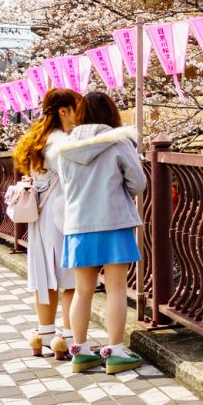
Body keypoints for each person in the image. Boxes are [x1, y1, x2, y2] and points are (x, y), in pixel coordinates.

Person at [55, 92, 146, 375]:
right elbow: (138, 182)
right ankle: (115, 351)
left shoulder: (65, 147)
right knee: (116, 289)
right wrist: (118, 194)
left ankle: (80, 352)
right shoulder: (118, 142)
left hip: (78, 225)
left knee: (83, 291)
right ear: (111, 114)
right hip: (113, 222)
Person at [11, 88, 82, 360]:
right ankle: (70, 336)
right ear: (64, 111)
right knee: (71, 278)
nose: (81, 114)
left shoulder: (38, 139)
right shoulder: (60, 142)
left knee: (45, 278)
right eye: (77, 108)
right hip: (61, 216)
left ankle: (45, 333)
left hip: (40, 215)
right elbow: (73, 177)